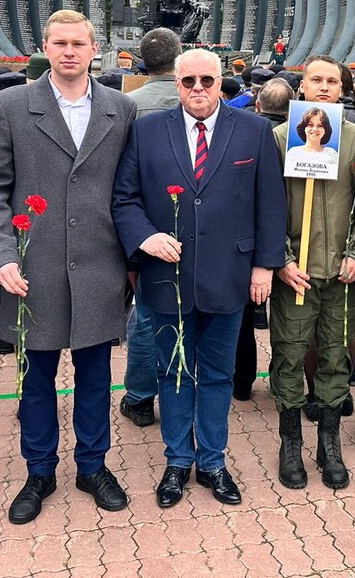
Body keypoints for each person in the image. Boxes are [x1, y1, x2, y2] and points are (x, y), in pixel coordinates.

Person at [0, 10, 136, 524]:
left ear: (95, 49)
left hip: (98, 265)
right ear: (43, 46)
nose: (69, 52)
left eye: (78, 43)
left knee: (94, 376)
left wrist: (132, 260)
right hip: (32, 268)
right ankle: (38, 470)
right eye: (59, 43)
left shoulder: (121, 108)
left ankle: (93, 465)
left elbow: (129, 190)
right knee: (35, 378)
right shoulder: (10, 106)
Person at [112, 49, 287, 509]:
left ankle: (211, 460)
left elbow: (270, 204)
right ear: (176, 82)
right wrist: (145, 238)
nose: (198, 90)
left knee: (215, 374)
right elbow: (124, 198)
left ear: (221, 81)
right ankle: (176, 459)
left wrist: (265, 266)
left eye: (206, 80)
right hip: (165, 278)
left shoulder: (254, 131)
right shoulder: (147, 131)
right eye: (188, 81)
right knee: (172, 372)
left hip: (229, 277)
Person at [270, 54, 355, 490]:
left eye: (333, 81)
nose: (324, 87)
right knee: (289, 356)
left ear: (343, 89)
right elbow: (265, 208)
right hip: (295, 273)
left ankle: (329, 442)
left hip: (340, 272)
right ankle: (290, 441)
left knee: (334, 358)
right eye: (316, 80)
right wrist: (283, 259)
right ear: (301, 85)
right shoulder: (277, 139)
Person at [117, 27, 184, 431]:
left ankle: (141, 397)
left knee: (144, 312)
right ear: (178, 59)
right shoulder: (202, 100)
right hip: (192, 221)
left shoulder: (127, 105)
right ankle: (183, 385)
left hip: (141, 223)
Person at [284, 107, 340, 173]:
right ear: (304, 128)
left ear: (325, 130)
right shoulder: (293, 153)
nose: (315, 129)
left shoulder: (332, 154)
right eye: (310, 125)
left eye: (320, 125)